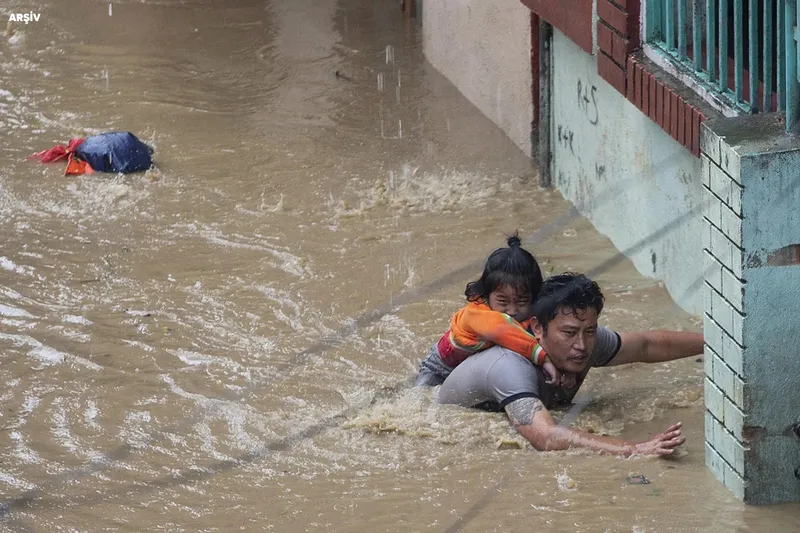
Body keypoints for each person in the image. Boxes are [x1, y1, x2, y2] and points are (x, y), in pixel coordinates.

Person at [438, 272, 704, 456]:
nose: (582, 345)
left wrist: (716, 342)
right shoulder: (510, 367)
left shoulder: (587, 340)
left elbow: (646, 345)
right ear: (538, 329)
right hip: (445, 421)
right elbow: (545, 437)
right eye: (569, 333)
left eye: (589, 331)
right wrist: (633, 449)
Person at [415, 233, 573, 388]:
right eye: (502, 301)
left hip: (476, 372)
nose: (512, 310)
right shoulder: (475, 314)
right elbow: (503, 330)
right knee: (419, 398)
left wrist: (566, 369)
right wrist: (544, 360)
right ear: (486, 295)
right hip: (440, 370)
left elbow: (551, 340)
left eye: (522, 301)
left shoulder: (532, 319)